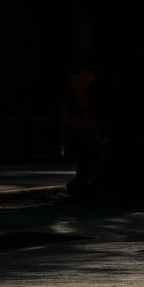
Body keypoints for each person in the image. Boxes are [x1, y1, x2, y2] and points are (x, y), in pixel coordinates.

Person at [61, 57, 106, 197]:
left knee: (82, 160)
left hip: (70, 123)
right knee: (98, 160)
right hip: (87, 125)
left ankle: (79, 190)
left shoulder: (73, 79)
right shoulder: (93, 82)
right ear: (96, 68)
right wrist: (102, 125)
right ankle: (77, 184)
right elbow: (97, 107)